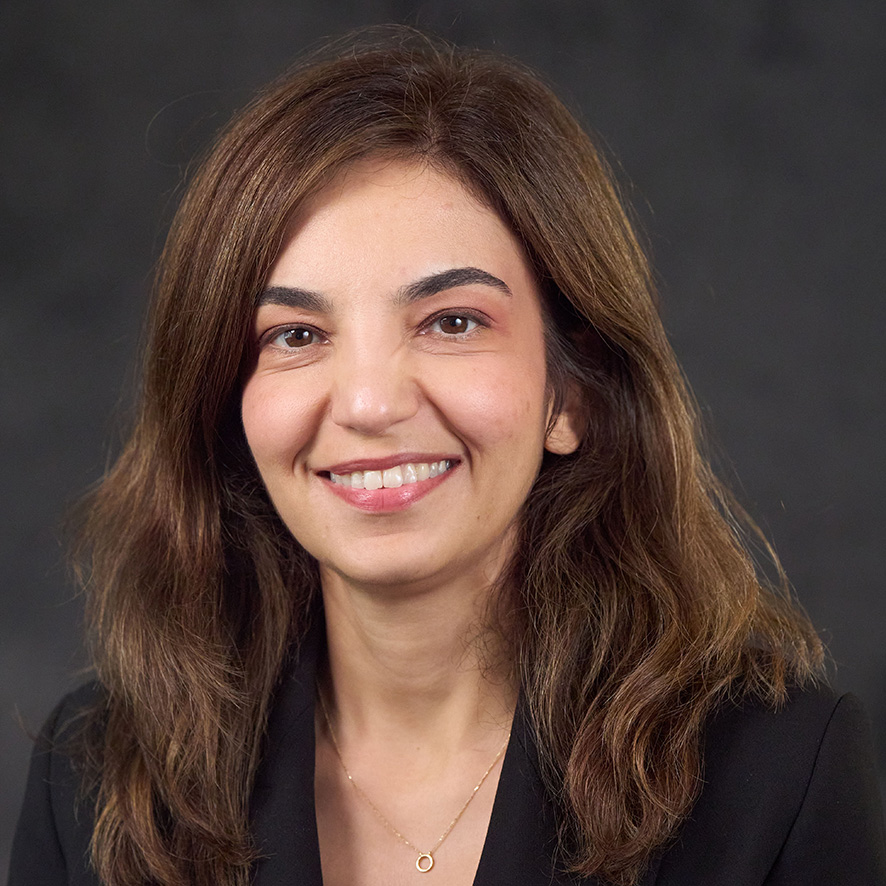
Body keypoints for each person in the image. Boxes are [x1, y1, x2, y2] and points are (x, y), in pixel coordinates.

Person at [9, 27, 886, 886]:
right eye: (298, 334)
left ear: (570, 394)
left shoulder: (777, 777)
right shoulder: (94, 782)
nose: (369, 403)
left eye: (451, 322)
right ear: (229, 401)